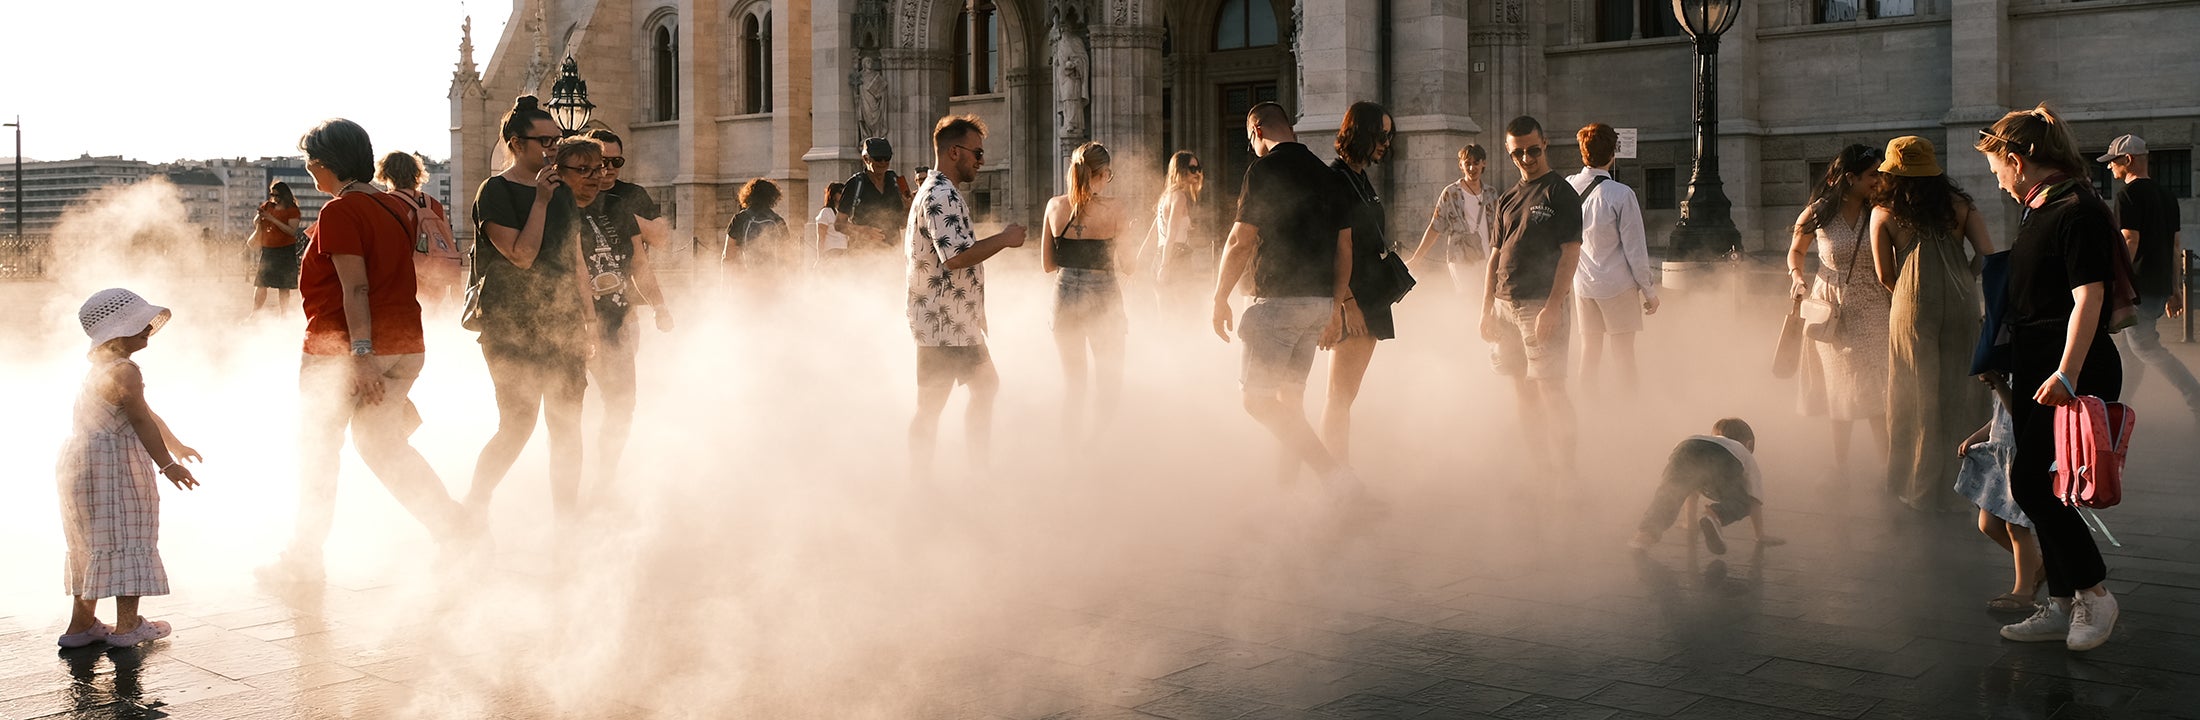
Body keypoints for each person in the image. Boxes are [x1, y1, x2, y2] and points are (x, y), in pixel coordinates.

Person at [265, 119, 474, 585]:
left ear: (323, 163)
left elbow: (354, 287)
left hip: (345, 349)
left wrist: (361, 355)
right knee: (382, 447)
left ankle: (303, 560)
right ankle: (455, 530)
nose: (308, 170)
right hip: (406, 343)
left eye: (309, 162)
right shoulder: (393, 206)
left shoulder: (341, 211)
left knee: (319, 451)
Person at [1975, 104, 2126, 651]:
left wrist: (2067, 371)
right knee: (2040, 485)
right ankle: (2063, 601)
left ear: (2017, 161)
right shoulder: (2042, 205)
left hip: (2071, 365)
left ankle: (2095, 593)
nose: (1999, 181)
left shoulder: (2075, 207)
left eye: (1997, 170)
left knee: (2039, 485)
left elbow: (2090, 296)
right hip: (2040, 362)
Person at [1209, 102, 1362, 493]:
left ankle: (1335, 479)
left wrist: (1219, 297)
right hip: (1315, 307)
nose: (1252, 149)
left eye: (1249, 141)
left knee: (1256, 401)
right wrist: (1333, 308)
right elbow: (1345, 248)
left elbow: (1239, 240)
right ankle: (1286, 496)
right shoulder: (1330, 176)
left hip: (1276, 303)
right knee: (1290, 402)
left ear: (1258, 130)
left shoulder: (1264, 170)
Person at [464, 97, 596, 524]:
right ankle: (475, 507)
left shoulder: (561, 194)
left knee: (566, 428)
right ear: (516, 144)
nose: (554, 149)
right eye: (545, 141)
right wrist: (539, 201)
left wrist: (589, 321)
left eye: (557, 140)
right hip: (510, 327)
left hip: (562, 324)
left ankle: (566, 524)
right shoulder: (496, 192)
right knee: (517, 426)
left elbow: (574, 258)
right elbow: (521, 255)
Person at [57, 288, 201, 649]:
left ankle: (81, 626)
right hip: (115, 468)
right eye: (139, 325)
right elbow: (139, 420)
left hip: (80, 466)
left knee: (89, 542)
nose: (148, 330)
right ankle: (127, 626)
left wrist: (176, 444)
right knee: (127, 536)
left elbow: (145, 413)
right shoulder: (126, 370)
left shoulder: (101, 369)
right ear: (117, 333)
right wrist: (167, 465)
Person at [1870, 136, 1993, 512]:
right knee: (1962, 389)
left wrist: (1908, 293)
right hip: (1961, 302)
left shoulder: (1884, 212)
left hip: (1910, 305)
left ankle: (1916, 486)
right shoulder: (1961, 206)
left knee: (1915, 393)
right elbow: (1988, 256)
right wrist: (1964, 280)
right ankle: (1964, 484)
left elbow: (1883, 275)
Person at [906, 115, 1026, 477]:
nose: (981, 160)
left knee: (983, 388)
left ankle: (973, 470)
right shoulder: (940, 194)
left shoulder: (942, 190)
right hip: (942, 322)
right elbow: (956, 256)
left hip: (955, 319)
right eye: (977, 152)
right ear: (954, 152)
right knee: (933, 405)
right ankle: (925, 480)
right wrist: (1004, 239)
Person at [565, 137, 672, 484]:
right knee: (573, 410)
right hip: (576, 327)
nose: (601, 174)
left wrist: (659, 305)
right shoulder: (558, 210)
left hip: (618, 322)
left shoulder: (619, 207)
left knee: (622, 405)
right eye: (589, 169)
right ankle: (568, 481)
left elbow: (640, 264)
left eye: (604, 167)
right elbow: (575, 269)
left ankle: (605, 476)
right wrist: (588, 324)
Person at [1483, 116, 1583, 476]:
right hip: (1504, 305)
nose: (1526, 158)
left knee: (1550, 391)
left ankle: (1567, 475)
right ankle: (1541, 470)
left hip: (1539, 305)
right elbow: (1495, 255)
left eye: (1533, 150)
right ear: (1509, 153)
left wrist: (1553, 308)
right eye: (1518, 153)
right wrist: (1485, 309)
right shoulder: (1507, 198)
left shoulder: (1561, 193)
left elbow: (1571, 253)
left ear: (1545, 144)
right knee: (1521, 391)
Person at [1787, 145, 1893, 475]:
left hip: (1874, 304)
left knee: (1878, 388)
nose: (1878, 180)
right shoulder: (1818, 212)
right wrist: (1796, 278)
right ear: (1851, 178)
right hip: (1830, 307)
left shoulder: (1878, 210)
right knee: (1839, 390)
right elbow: (1796, 252)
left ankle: (1887, 467)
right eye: (1872, 174)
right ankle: (1840, 467)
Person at [1324, 101, 1402, 462]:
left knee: (1346, 397)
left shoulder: (1358, 176)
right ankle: (1334, 479)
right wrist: (1348, 304)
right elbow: (1331, 248)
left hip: (1370, 296)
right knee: (1339, 398)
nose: (1387, 142)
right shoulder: (1336, 179)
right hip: (1355, 301)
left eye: (1390, 135)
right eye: (1381, 134)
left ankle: (1337, 474)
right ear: (1361, 133)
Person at [2102, 135, 2199, 425]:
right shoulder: (2167, 196)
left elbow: (2129, 240)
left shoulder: (2128, 196)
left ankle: (2194, 395)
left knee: (2144, 347)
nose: (2110, 168)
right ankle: (2119, 409)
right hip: (2157, 289)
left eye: (2113, 162)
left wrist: (2116, 281)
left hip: (2138, 290)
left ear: (2128, 160)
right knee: (2130, 351)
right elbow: (2175, 245)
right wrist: (2174, 290)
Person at [1041, 141, 1128, 441]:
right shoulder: (1116, 208)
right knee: (1109, 380)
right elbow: (1129, 266)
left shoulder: (1054, 206)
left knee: (1074, 384)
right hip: (1103, 296)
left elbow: (1048, 264)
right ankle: (1098, 445)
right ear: (1103, 173)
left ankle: (1071, 452)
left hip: (1064, 294)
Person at [1567, 123, 1658, 391]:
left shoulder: (1568, 187)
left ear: (1583, 152)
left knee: (1589, 351)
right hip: (1618, 285)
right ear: (1612, 153)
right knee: (1623, 355)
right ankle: (1627, 410)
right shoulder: (1621, 194)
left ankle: (1587, 407)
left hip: (1583, 284)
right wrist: (1649, 291)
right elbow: (1635, 249)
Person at [1955, 372, 2042, 611]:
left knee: (2016, 525)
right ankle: (2039, 566)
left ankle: (2023, 591)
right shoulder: (2011, 373)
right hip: (1999, 452)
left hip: (2019, 453)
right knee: (1988, 525)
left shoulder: (2028, 373)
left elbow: (2019, 411)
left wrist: (2000, 383)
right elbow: (2000, 415)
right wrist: (1977, 436)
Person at [1627, 418, 1775, 555]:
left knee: (1669, 495)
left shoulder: (1705, 439)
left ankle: (1644, 536)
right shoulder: (1741, 451)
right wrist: (1759, 535)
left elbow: (1691, 490)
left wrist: (1690, 523)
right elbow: (1754, 498)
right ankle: (1714, 515)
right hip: (1723, 456)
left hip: (1686, 446)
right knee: (1742, 502)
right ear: (1749, 444)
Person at [375, 152, 463, 311]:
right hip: (435, 279)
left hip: (404, 280)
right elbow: (447, 240)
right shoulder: (433, 204)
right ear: (416, 174)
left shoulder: (386, 203)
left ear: (385, 174)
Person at [1409, 144, 1492, 297]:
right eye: (1468, 163)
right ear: (1461, 165)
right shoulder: (1451, 193)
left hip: (1486, 257)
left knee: (1486, 300)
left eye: (1476, 162)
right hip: (1460, 257)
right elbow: (1435, 227)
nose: (1472, 168)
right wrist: (1417, 257)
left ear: (1483, 163)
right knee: (1469, 299)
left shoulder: (1491, 193)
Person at [583, 129, 675, 265]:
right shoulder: (577, 194)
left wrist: (623, 214)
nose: (610, 167)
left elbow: (663, 239)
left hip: (630, 276)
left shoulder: (634, 193)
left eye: (617, 161)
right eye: (604, 161)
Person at [1136, 151, 1208, 321]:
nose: (1197, 172)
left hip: (1162, 256)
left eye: (1198, 168)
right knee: (1188, 311)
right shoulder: (1179, 197)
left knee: (1167, 311)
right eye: (1192, 168)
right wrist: (1165, 266)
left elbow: (1152, 235)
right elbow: (1170, 234)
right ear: (1180, 170)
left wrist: (1139, 262)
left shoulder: (1165, 198)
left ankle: (1167, 344)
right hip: (1175, 258)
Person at [836, 137, 914, 253]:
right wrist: (864, 231)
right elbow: (839, 224)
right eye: (878, 158)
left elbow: (902, 224)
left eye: (887, 158)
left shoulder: (895, 182)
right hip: (862, 255)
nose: (883, 162)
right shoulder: (855, 184)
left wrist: (909, 208)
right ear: (866, 159)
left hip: (891, 255)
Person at [249, 181, 304, 314]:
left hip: (285, 250)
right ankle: (254, 313)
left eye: (277, 195)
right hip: (268, 249)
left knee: (284, 286)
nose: (274, 198)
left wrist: (272, 219)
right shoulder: (268, 205)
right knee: (261, 284)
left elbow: (291, 230)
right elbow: (256, 221)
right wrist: (259, 217)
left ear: (285, 195)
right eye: (272, 194)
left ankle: (283, 315)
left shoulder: (292, 210)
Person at [725, 179, 789, 269]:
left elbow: (728, 255)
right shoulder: (778, 220)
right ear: (773, 197)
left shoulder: (740, 219)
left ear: (747, 195)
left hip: (749, 276)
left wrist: (725, 280)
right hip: (773, 276)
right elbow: (787, 255)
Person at [816, 182, 851, 260]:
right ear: (833, 195)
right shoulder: (826, 212)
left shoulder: (846, 213)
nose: (843, 195)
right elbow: (821, 237)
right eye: (840, 192)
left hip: (844, 252)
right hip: (831, 251)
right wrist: (820, 258)